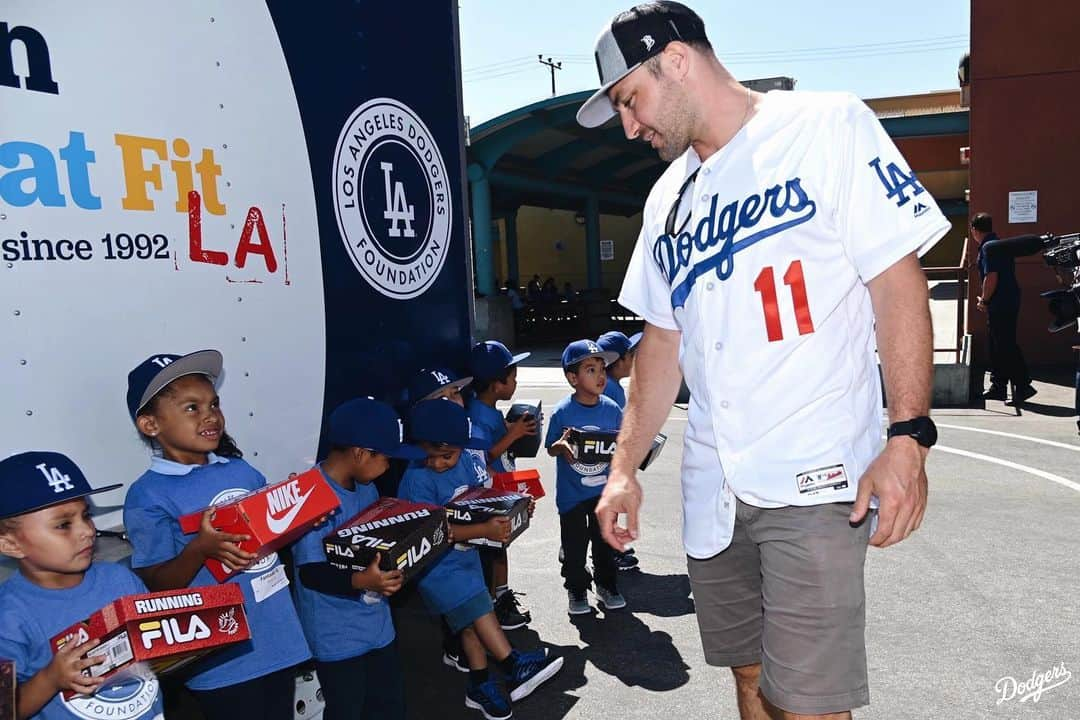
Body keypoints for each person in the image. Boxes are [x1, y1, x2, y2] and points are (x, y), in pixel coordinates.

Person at [578, 3, 948, 719]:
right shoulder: (665, 201)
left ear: (677, 61)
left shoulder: (826, 126)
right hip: (713, 488)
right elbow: (662, 343)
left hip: (814, 477)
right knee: (749, 680)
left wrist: (908, 436)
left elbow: (896, 280)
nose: (630, 126)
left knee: (806, 704)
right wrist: (623, 469)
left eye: (631, 100)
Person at [122, 350, 311, 720]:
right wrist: (200, 550)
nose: (211, 415)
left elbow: (268, 539)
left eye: (214, 403)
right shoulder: (148, 495)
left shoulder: (240, 471)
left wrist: (299, 511)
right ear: (150, 425)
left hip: (278, 636)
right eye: (192, 408)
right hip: (225, 656)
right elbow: (156, 583)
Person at [399, 400, 563, 720]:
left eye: (447, 456)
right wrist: (484, 528)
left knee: (471, 626)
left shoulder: (467, 462)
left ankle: (479, 685)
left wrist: (514, 507)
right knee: (478, 608)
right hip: (437, 568)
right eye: (429, 456)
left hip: (467, 556)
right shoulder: (416, 480)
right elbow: (433, 533)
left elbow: (484, 497)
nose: (438, 464)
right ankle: (514, 664)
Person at [0, 451, 166, 720]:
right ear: (10, 544)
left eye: (85, 515)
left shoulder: (120, 579)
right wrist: (51, 679)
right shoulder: (9, 616)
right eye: (64, 524)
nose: (87, 530)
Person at [291, 398, 422, 720]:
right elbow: (310, 572)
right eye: (386, 459)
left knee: (389, 707)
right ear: (361, 453)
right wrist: (363, 581)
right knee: (347, 709)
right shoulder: (312, 495)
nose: (388, 467)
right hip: (336, 638)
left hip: (378, 628)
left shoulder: (367, 487)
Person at [546, 340, 626, 615]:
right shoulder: (562, 412)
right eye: (590, 369)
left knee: (605, 545)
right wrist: (561, 446)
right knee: (574, 548)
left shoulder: (612, 410)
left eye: (602, 368)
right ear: (573, 378)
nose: (600, 375)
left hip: (604, 494)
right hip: (571, 496)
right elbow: (550, 447)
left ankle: (606, 585)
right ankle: (577, 588)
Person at [467, 341, 538, 630]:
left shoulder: (489, 409)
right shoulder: (477, 416)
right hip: (488, 492)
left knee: (500, 545)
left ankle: (501, 595)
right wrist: (514, 434)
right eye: (512, 378)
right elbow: (484, 456)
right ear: (497, 384)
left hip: (500, 488)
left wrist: (511, 429)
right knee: (494, 548)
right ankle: (497, 604)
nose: (516, 382)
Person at [972, 212, 1036, 403]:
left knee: (1005, 345)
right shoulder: (998, 244)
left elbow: (991, 277)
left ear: (974, 230)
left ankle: (1023, 386)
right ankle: (998, 386)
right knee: (996, 344)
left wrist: (984, 300)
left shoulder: (989, 248)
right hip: (1006, 301)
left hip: (1001, 303)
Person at [595, 330, 644, 571]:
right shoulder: (612, 390)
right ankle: (610, 552)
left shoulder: (608, 385)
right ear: (619, 362)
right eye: (630, 355)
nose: (634, 359)